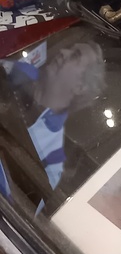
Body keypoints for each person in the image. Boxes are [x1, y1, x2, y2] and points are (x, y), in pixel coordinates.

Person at [0, 40, 105, 189]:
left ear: (80, 87)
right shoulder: (21, 71)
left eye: (75, 56)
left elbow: (15, 196)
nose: (63, 51)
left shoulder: (53, 160)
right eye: (69, 48)